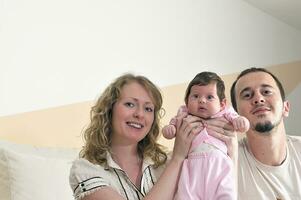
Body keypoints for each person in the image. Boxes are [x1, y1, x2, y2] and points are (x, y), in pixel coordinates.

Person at [69, 73, 237, 200]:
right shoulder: (85, 170)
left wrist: (231, 151)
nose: (140, 114)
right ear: (109, 109)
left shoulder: (164, 163)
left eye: (148, 108)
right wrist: (178, 156)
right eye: (130, 104)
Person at [162, 71, 249, 200]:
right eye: (195, 96)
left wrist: (241, 122)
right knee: (185, 195)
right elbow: (170, 129)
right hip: (192, 166)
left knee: (226, 194)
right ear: (186, 102)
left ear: (222, 104)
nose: (202, 100)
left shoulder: (226, 113)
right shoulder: (184, 114)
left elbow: (243, 125)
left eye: (209, 97)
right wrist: (169, 129)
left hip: (219, 164)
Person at [230, 67, 301, 199]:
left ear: (286, 108)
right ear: (235, 116)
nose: (258, 99)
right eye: (247, 95)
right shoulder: (226, 164)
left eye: (267, 91)